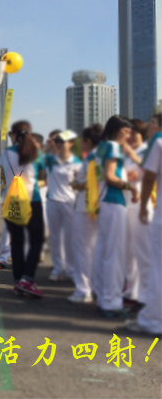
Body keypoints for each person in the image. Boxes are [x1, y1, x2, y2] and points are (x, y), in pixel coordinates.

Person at [93, 116, 138, 318]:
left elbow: (101, 176)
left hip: (103, 202)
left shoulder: (101, 148)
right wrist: (131, 187)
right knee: (115, 255)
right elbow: (110, 176)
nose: (128, 136)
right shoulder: (112, 147)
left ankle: (103, 297)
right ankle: (111, 302)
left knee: (103, 251)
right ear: (116, 130)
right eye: (126, 131)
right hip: (113, 201)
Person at [0, 121, 45, 297]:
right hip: (33, 201)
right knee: (36, 240)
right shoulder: (37, 153)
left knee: (16, 242)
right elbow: (41, 175)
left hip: (13, 202)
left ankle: (18, 281)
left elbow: (3, 177)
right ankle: (27, 278)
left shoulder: (5, 153)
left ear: (14, 135)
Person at [125, 113, 162, 334]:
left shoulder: (157, 143)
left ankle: (152, 318)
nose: (149, 124)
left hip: (155, 213)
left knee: (154, 265)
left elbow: (148, 177)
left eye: (153, 122)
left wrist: (144, 205)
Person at [68, 124, 102, 303]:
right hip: (96, 207)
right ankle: (94, 287)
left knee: (82, 249)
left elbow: (91, 182)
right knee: (93, 249)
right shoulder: (100, 155)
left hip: (85, 206)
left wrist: (76, 184)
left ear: (88, 141)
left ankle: (83, 290)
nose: (80, 143)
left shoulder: (91, 157)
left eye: (81, 140)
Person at [44, 130, 82, 282]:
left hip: (69, 203)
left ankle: (71, 270)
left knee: (70, 238)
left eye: (62, 141)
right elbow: (35, 160)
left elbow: (81, 183)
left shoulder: (77, 163)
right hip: (52, 201)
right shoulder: (50, 160)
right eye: (57, 141)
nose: (58, 144)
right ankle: (58, 269)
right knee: (55, 238)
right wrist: (48, 145)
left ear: (71, 143)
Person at [123, 119, 149, 307]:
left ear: (142, 134)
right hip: (125, 205)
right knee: (129, 251)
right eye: (128, 133)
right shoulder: (125, 154)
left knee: (143, 251)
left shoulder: (147, 151)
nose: (130, 137)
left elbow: (150, 174)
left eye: (134, 133)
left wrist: (133, 157)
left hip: (142, 206)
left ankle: (145, 295)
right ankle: (132, 291)